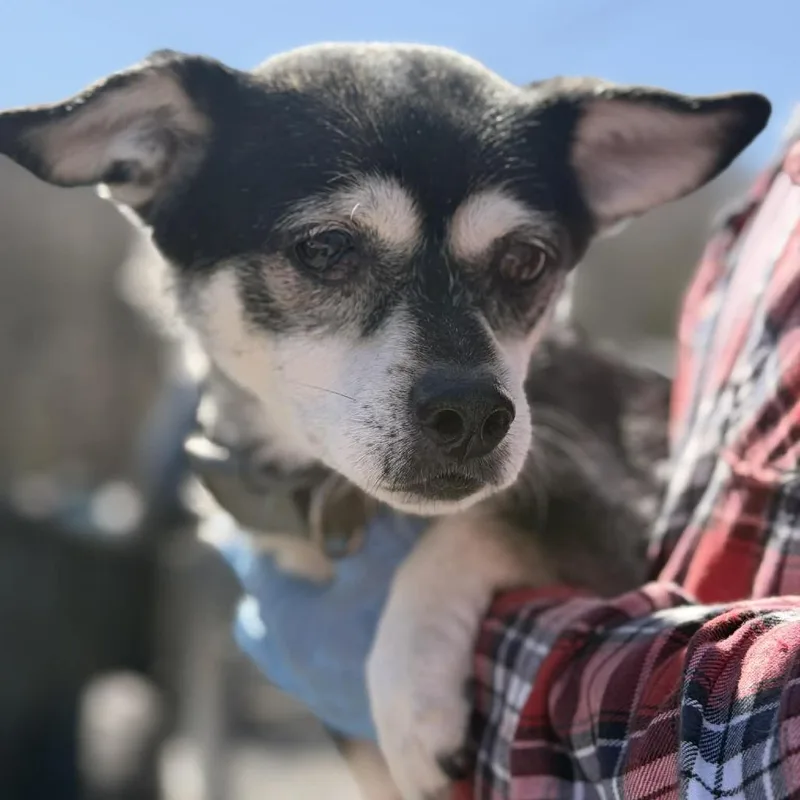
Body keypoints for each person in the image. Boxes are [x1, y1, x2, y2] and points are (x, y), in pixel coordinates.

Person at [209, 116, 800, 799]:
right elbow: (677, 524)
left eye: (521, 263)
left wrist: (464, 638)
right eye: (327, 249)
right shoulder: (765, 208)